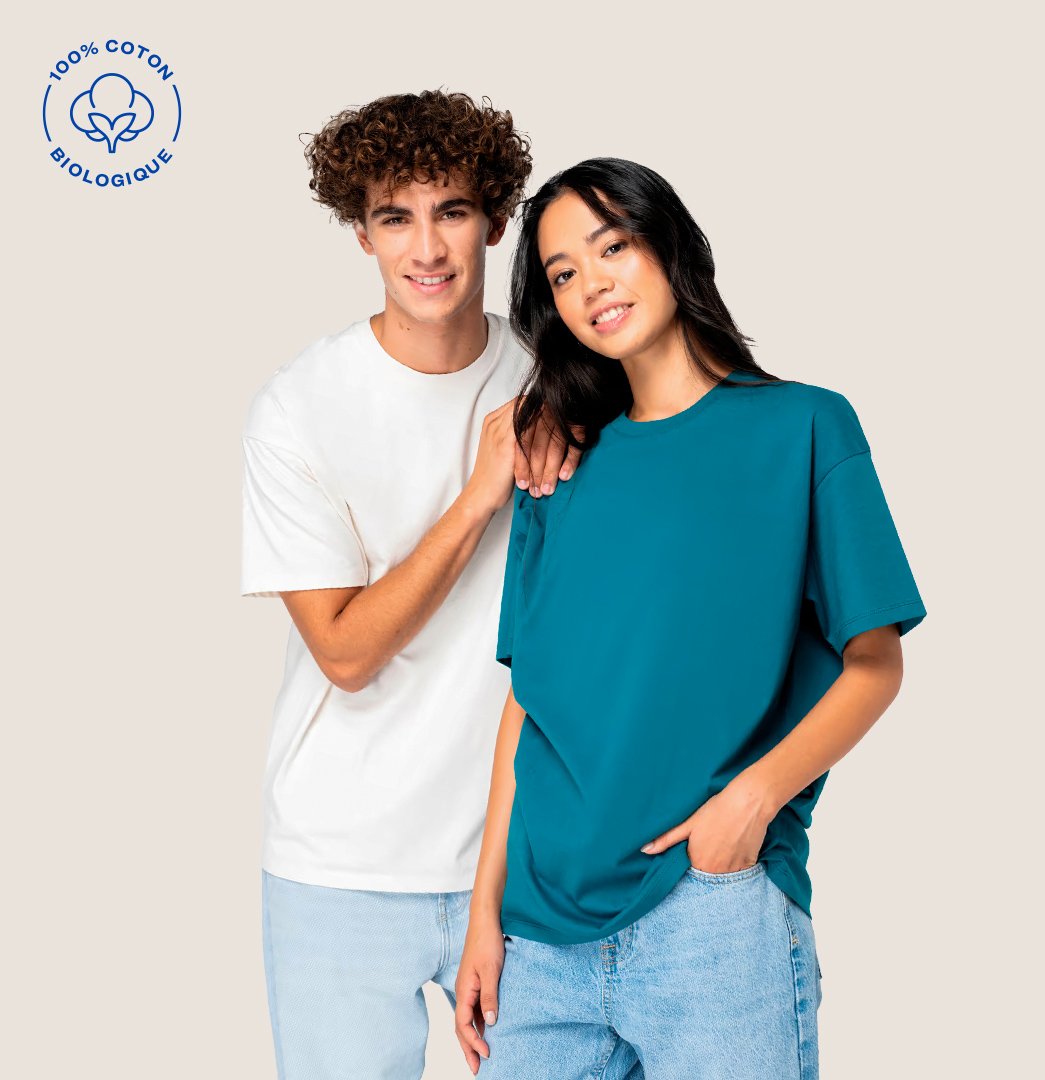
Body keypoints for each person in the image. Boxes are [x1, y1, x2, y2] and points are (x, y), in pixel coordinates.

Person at [454, 158, 928, 1079]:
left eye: (611, 246)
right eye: (560, 274)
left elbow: (875, 663)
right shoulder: (560, 466)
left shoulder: (804, 428)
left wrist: (749, 804)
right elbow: (528, 707)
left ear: (669, 244)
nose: (590, 284)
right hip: (540, 941)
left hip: (711, 911)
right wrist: (485, 915)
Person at [240, 90, 581, 1080]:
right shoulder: (298, 409)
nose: (427, 248)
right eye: (396, 216)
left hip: (524, 865)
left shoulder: (558, 383)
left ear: (499, 221)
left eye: (453, 212)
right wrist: (480, 497)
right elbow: (344, 653)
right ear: (361, 232)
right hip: (340, 866)